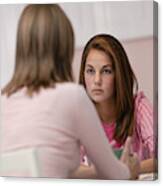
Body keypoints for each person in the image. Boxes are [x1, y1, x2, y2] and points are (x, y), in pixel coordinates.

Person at [1, 5, 139, 179]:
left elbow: (55, 168)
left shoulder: (3, 100)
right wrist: (129, 170)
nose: (97, 80)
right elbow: (114, 175)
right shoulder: (72, 96)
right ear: (64, 47)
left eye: (106, 71)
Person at [79, 34, 157, 174]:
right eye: (90, 71)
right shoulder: (78, 116)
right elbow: (65, 165)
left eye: (106, 71)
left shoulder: (139, 108)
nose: (97, 80)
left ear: (119, 75)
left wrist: (135, 169)